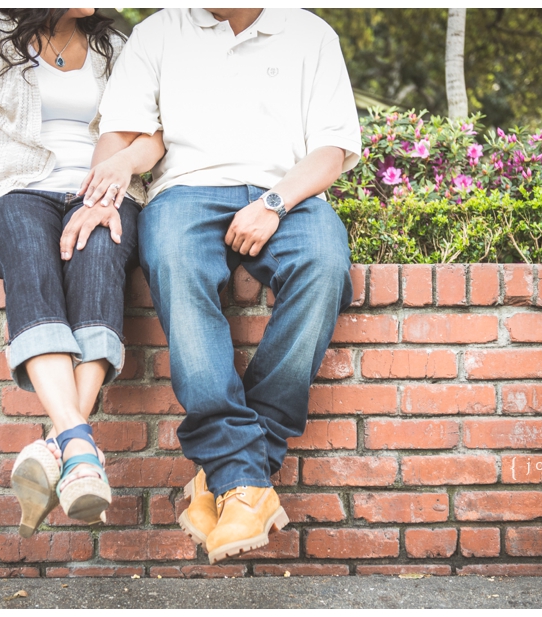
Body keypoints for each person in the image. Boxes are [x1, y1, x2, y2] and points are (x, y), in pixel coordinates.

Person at [63, 8, 360, 563]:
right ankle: (243, 477)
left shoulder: (311, 33)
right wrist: (97, 198)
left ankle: (224, 473)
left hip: (289, 195)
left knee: (324, 265)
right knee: (175, 262)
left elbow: (331, 150)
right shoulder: (157, 32)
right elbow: (121, 133)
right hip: (184, 192)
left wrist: (273, 204)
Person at [0, 8, 164, 536]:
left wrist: (119, 170)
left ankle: (62, 446)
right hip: (15, 192)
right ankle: (81, 451)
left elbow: (151, 136)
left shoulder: (117, 41)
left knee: (100, 262)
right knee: (31, 259)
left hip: (105, 195)